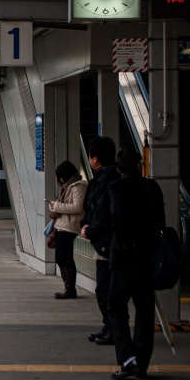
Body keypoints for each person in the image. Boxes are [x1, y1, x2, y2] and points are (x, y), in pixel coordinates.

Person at [105, 149, 165, 380]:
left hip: (123, 259)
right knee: (144, 310)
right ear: (140, 165)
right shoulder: (152, 188)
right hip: (147, 258)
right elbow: (161, 220)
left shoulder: (116, 188)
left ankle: (127, 358)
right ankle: (141, 364)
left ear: (119, 169)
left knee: (115, 307)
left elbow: (117, 220)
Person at [79, 136, 119, 344]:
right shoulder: (104, 179)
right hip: (105, 242)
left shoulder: (106, 181)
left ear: (95, 159)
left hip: (108, 244)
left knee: (106, 289)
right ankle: (108, 325)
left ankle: (114, 329)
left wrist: (89, 229)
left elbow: (101, 211)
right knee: (104, 289)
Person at [49, 161, 87, 299]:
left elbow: (78, 207)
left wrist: (57, 206)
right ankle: (69, 288)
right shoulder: (68, 186)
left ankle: (70, 288)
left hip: (70, 227)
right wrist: (55, 206)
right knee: (64, 257)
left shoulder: (78, 186)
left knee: (62, 257)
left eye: (60, 176)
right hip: (63, 225)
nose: (60, 180)